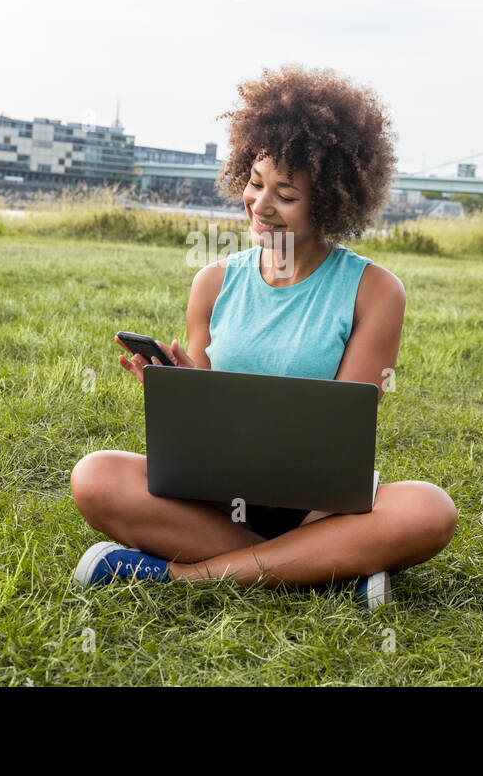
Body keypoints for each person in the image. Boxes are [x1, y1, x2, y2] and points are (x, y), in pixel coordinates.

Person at [70, 64, 457, 608]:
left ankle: (178, 576)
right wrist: (179, 388)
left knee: (430, 510)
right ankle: (327, 566)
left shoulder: (375, 291)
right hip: (218, 498)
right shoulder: (213, 282)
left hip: (322, 505)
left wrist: (323, 519)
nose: (261, 205)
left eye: (286, 193)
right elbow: (205, 430)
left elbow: (339, 438)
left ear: (329, 201)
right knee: (96, 476)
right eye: (255, 184)